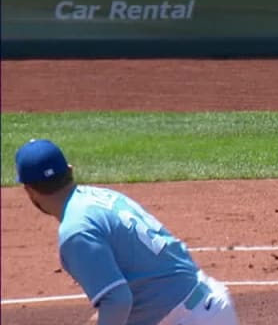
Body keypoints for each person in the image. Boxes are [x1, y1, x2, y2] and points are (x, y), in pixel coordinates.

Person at [14, 138, 238, 324]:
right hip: (205, 301)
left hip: (187, 318)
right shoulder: (101, 197)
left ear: (29, 190)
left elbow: (118, 301)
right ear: (70, 171)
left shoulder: (75, 231)